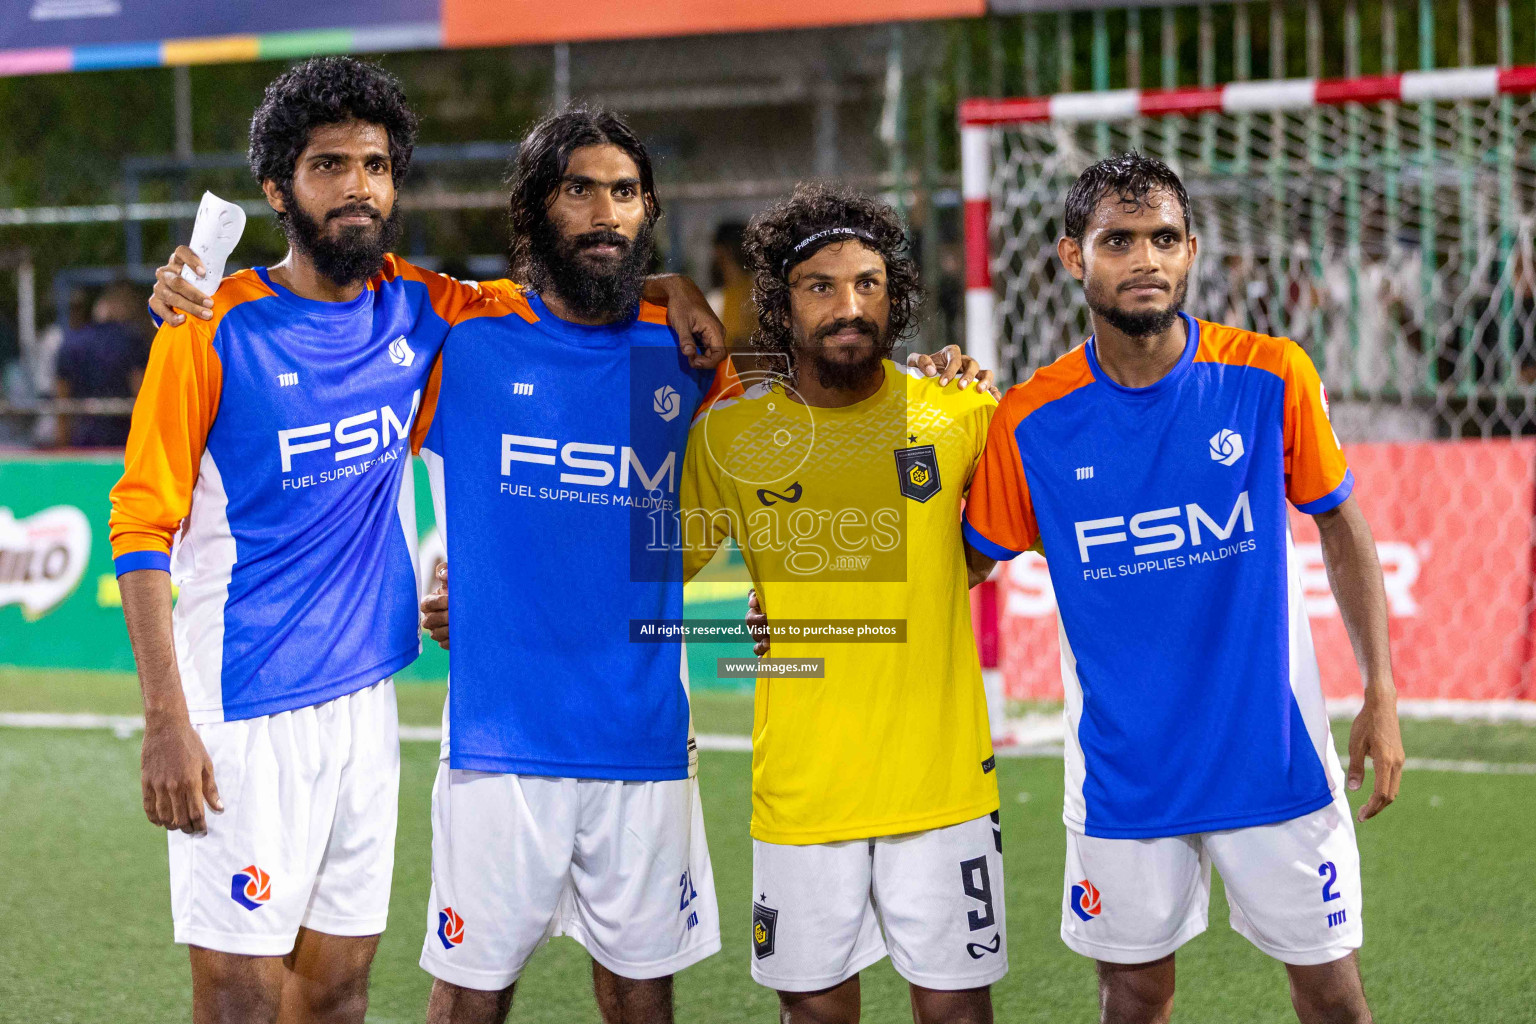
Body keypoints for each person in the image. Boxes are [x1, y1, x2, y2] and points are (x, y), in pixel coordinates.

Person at [122, 59, 725, 1024]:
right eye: (328, 166)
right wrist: (165, 719)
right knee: (238, 998)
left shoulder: (423, 306)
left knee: (340, 991)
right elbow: (139, 527)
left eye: (375, 165)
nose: (357, 186)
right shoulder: (204, 329)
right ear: (279, 188)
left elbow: (571, 289)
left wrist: (672, 281)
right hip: (240, 702)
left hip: (366, 699)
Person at [960, 153, 1405, 1024]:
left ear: (1192, 249)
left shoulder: (1271, 375)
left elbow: (1342, 523)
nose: (1145, 259)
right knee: (1133, 998)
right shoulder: (1029, 419)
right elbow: (967, 563)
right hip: (1125, 774)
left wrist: (1382, 690)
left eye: (1163, 238)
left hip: (1272, 758)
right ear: (1070, 256)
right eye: (1117, 240)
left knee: (1333, 994)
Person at [677, 182, 1006, 1023]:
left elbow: (974, 554)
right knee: (816, 1015)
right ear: (782, 307)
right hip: (803, 788)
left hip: (942, 791)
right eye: (821, 285)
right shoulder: (730, 434)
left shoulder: (962, 412)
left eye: (867, 283)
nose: (848, 304)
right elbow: (643, 571)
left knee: (958, 1015)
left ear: (895, 297)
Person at [54, 281, 151, 447]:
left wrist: (62, 446)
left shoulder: (71, 344)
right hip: (124, 441)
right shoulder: (131, 342)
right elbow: (141, 394)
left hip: (81, 440)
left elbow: (62, 401)